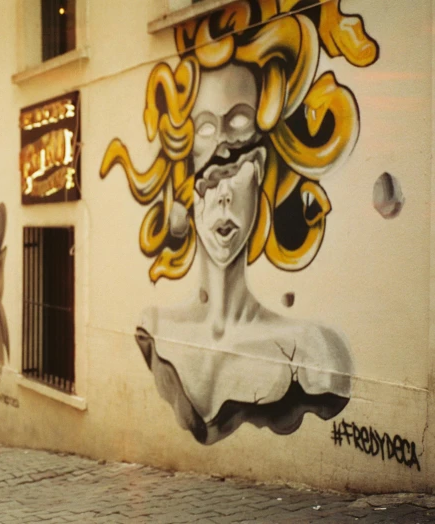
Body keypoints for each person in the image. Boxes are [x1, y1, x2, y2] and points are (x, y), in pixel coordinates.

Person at [100, 0, 379, 445]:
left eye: (240, 127)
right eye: (205, 132)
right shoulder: (154, 328)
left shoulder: (311, 352)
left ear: (265, 166)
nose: (223, 189)